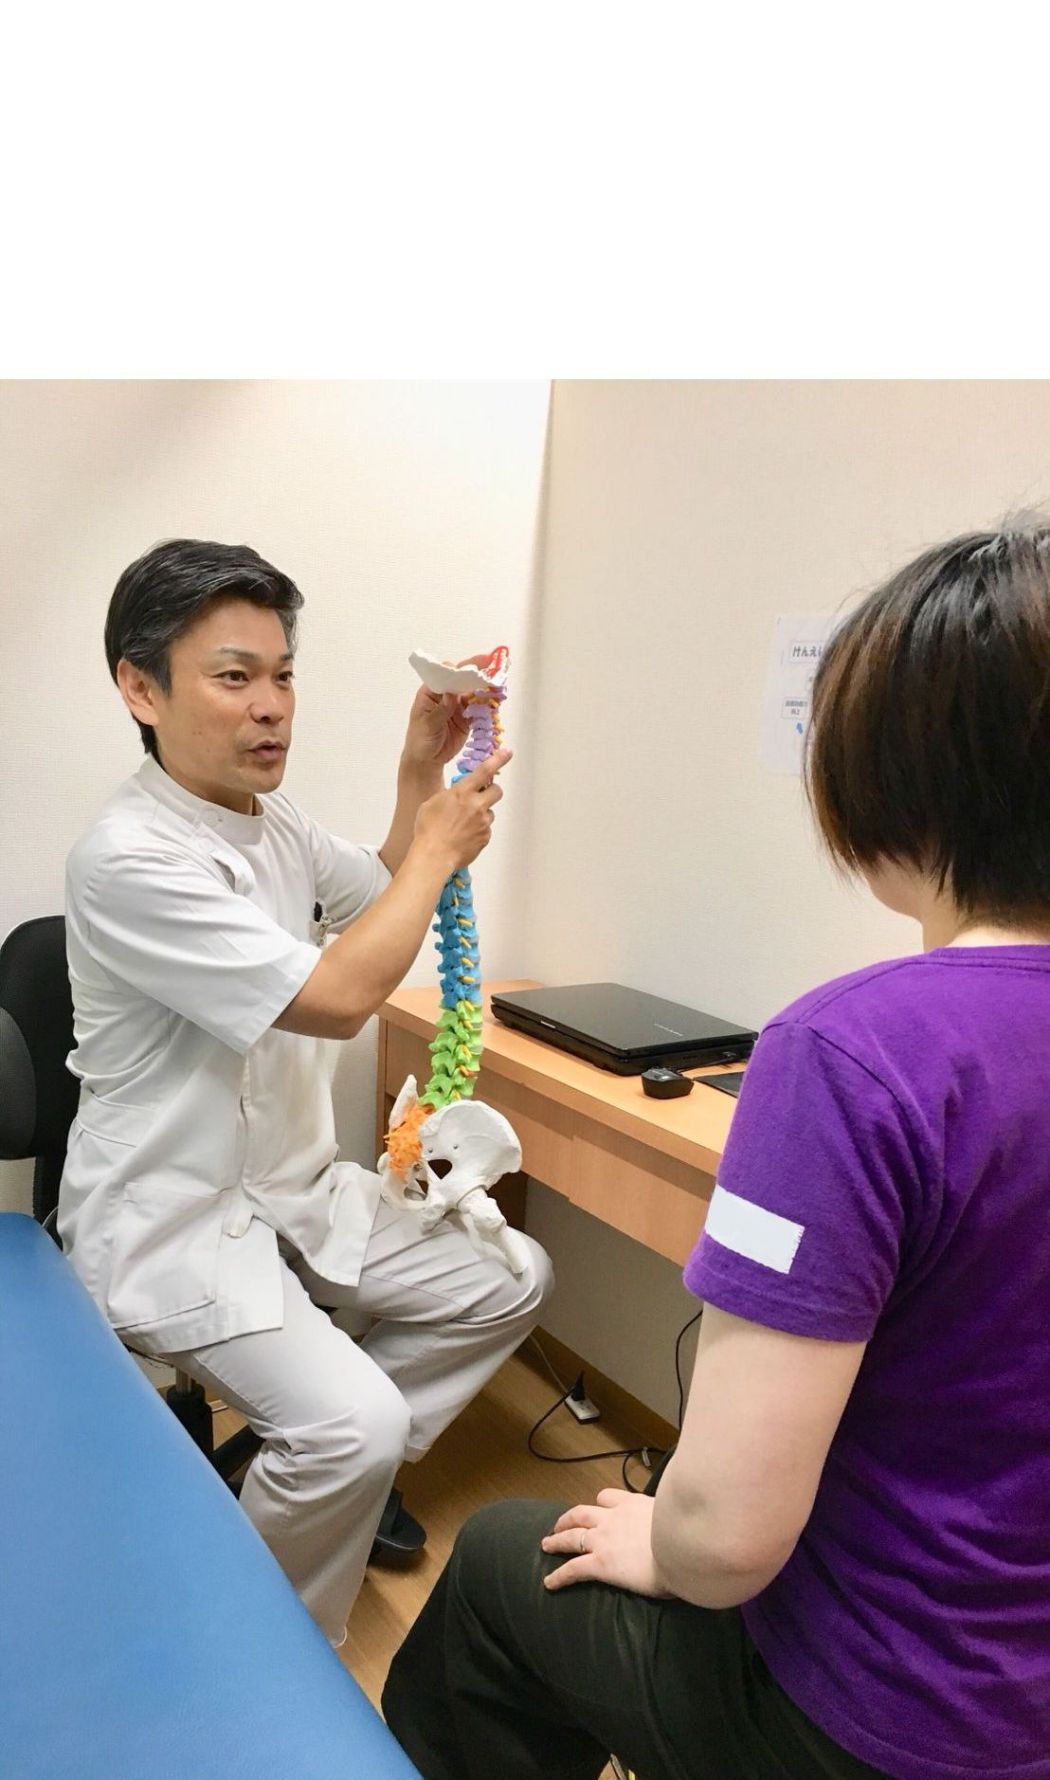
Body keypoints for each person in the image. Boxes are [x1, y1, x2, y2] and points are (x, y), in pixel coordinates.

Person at [382, 524, 1050, 1780]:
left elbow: (726, 1539)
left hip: (889, 1722)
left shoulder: (853, 1054)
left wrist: (674, 1542)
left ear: (892, 779)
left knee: (500, 1562)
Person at [57, 538, 552, 1648]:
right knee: (353, 1423)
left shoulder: (265, 817)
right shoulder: (129, 857)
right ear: (141, 688)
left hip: (287, 1188)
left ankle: (317, 1482)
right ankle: (260, 1651)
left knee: (509, 1278)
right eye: (235, 676)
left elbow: (375, 897)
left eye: (283, 675)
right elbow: (339, 995)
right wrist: (440, 850)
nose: (272, 705)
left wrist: (419, 778)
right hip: (170, 1217)